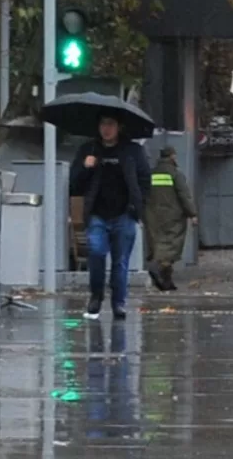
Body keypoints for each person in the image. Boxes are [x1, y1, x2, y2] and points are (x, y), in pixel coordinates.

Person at [69, 113, 151, 320]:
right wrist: (85, 168)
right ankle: (96, 296)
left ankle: (119, 303)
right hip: (97, 215)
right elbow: (74, 185)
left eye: (111, 124)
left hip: (124, 214)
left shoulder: (133, 151)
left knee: (120, 261)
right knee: (96, 253)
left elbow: (144, 181)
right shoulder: (88, 150)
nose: (106, 129)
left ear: (119, 127)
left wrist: (137, 208)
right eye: (103, 124)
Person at [145, 146, 198, 292]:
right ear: (172, 157)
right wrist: (192, 214)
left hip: (153, 215)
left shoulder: (151, 173)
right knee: (171, 246)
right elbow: (184, 195)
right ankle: (157, 267)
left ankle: (167, 283)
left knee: (157, 244)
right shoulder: (175, 174)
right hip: (173, 216)